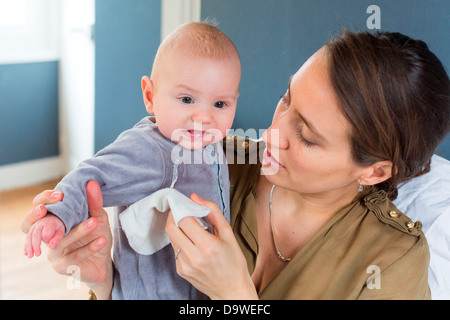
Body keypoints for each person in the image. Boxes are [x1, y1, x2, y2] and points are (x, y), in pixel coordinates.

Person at [22, 30, 449, 299]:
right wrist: (103, 282)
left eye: (306, 136)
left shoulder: (391, 261)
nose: (273, 132)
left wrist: (236, 296)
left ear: (374, 171)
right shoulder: (211, 159)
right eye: (286, 98)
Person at [22, 22, 241, 300]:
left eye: (220, 104)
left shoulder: (211, 146)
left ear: (235, 101)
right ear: (150, 96)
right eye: (187, 99)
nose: (203, 117)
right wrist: (58, 213)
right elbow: (91, 176)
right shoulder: (150, 149)